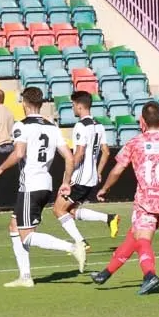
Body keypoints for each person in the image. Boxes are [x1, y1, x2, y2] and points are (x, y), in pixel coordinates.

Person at [0, 87, 87, 288]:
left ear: (24, 103)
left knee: (27, 235)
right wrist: (66, 182)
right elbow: (69, 157)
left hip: (30, 186)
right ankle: (25, 277)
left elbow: (18, 153)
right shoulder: (52, 127)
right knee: (15, 227)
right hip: (46, 185)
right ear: (41, 104)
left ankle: (73, 247)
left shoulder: (22, 126)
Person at [91, 101, 159, 296]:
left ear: (142, 121)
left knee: (142, 238)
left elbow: (118, 169)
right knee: (134, 236)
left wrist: (105, 189)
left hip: (146, 202)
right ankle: (106, 273)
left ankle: (150, 275)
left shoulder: (135, 143)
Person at [50, 91, 120, 247]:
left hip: (80, 178)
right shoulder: (99, 126)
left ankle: (81, 243)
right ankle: (109, 218)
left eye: (73, 105)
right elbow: (106, 152)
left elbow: (80, 152)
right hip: (91, 178)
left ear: (80, 106)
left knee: (58, 210)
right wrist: (99, 172)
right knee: (70, 211)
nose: (73, 108)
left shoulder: (81, 126)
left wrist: (67, 179)